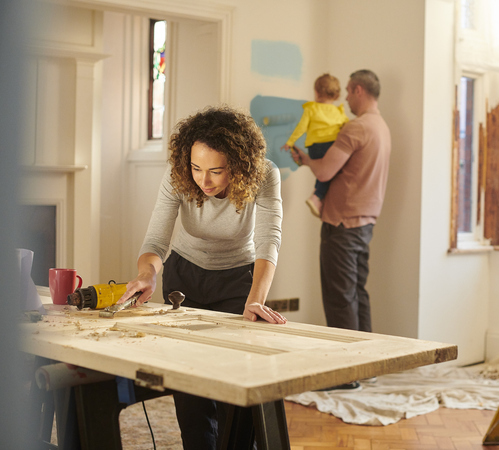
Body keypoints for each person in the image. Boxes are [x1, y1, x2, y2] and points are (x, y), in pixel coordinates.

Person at [119, 105, 286, 449]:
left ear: (239, 166)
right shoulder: (177, 175)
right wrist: (147, 274)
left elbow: (269, 240)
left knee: (235, 393)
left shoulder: (265, 175)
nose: (203, 180)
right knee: (191, 395)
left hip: (239, 279)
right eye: (196, 168)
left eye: (215, 171)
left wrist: (256, 299)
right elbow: (156, 241)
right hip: (185, 277)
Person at [291, 69, 391, 339]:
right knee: (357, 292)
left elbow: (324, 172)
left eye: (348, 91)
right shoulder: (381, 127)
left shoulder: (356, 127)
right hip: (365, 222)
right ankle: (365, 364)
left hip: (342, 223)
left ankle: (347, 374)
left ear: (359, 90)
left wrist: (306, 160)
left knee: (339, 298)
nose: (345, 98)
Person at [281, 73, 348, 218]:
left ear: (316, 92)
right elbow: (347, 128)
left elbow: (301, 127)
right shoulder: (339, 112)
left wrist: (290, 142)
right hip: (331, 147)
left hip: (315, 148)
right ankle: (316, 196)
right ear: (336, 95)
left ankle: (318, 197)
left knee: (325, 173)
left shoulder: (311, 109)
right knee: (329, 172)